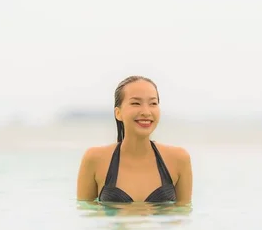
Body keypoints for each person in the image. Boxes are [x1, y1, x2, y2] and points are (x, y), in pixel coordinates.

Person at [76, 76, 193, 206]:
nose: (146, 112)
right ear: (118, 113)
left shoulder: (179, 159)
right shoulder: (94, 158)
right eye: (136, 103)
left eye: (153, 103)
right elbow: (86, 216)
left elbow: (183, 215)